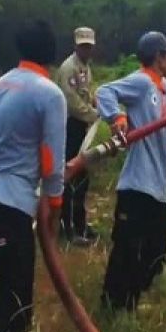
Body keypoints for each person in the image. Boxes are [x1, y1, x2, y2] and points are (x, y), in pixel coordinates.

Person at [0, 20, 66, 332]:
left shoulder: (3, 83)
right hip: (11, 200)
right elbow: (52, 159)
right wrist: (55, 204)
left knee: (18, 282)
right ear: (51, 52)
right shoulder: (48, 93)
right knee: (12, 290)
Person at [96, 31, 166, 312]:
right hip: (137, 182)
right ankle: (114, 307)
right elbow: (104, 92)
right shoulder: (142, 81)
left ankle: (132, 300)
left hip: (157, 182)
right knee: (127, 249)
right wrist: (116, 117)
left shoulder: (163, 87)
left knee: (152, 251)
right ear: (158, 57)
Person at [54, 26, 100, 246]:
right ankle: (67, 227)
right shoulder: (68, 68)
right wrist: (93, 114)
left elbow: (85, 94)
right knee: (70, 174)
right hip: (70, 126)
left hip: (83, 127)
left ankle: (81, 223)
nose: (86, 49)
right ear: (75, 44)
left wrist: (94, 103)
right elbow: (72, 103)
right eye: (82, 45)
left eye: (89, 46)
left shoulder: (85, 68)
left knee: (82, 175)